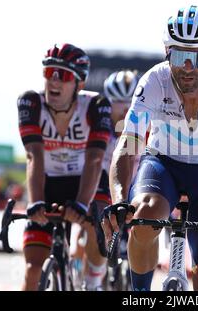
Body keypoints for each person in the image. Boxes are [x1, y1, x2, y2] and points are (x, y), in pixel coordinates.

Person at [102, 5, 198, 291]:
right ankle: (140, 294)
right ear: (166, 52)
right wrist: (119, 200)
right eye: (179, 55)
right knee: (144, 215)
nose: (187, 67)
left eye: (196, 58)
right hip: (164, 166)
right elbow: (130, 142)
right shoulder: (154, 81)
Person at [17, 43, 112, 291]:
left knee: (99, 221)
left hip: (86, 179)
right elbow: (33, 156)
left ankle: (93, 281)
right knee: (32, 270)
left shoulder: (96, 105)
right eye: (50, 73)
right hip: (48, 181)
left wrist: (81, 205)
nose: (55, 82)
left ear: (79, 83)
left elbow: (94, 159)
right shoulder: (31, 103)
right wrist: (36, 202)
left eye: (64, 75)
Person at [71, 69, 139, 290]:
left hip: (132, 178)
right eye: (118, 102)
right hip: (101, 175)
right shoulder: (98, 123)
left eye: (130, 101)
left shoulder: (144, 123)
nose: (125, 108)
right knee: (97, 222)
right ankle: (92, 281)